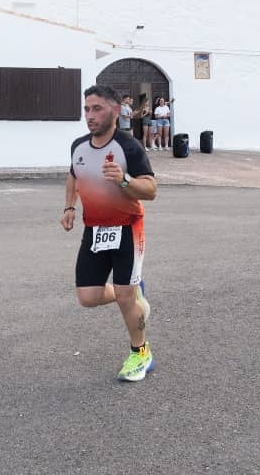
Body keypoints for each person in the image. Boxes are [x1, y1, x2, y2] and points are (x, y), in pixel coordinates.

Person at [62, 85, 157, 381]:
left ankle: (141, 353)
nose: (90, 115)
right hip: (95, 230)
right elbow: (73, 176)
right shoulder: (79, 146)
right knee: (88, 297)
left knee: (126, 298)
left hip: (127, 228)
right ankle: (132, 291)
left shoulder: (129, 147)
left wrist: (124, 180)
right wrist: (69, 207)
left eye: (97, 109)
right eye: (86, 109)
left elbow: (150, 190)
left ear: (115, 111)